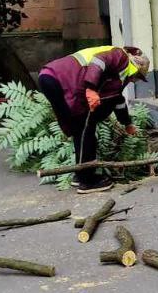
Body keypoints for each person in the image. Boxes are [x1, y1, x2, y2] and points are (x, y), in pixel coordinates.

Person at [38, 45, 150, 193]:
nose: (135, 81)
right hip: (60, 80)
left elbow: (118, 100)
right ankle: (87, 181)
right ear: (136, 69)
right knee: (86, 132)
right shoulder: (120, 56)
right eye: (139, 77)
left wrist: (127, 123)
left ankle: (81, 176)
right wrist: (90, 88)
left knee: (81, 132)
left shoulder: (115, 77)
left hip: (52, 78)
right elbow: (99, 61)